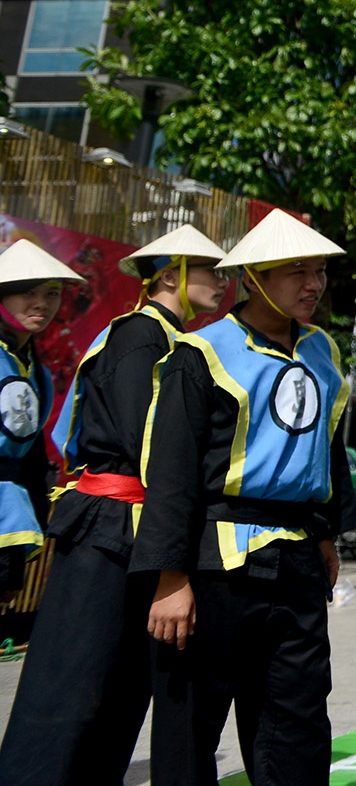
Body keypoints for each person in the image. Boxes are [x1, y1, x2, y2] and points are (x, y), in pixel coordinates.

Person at [134, 209, 356, 786]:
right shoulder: (200, 353)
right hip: (216, 564)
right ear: (254, 277)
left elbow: (327, 451)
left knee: (298, 716)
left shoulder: (323, 352)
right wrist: (169, 578)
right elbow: (172, 471)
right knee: (191, 724)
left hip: (298, 557)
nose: (313, 284)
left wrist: (328, 533)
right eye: (296, 271)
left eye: (319, 272)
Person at [2, 227, 223, 785]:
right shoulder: (140, 338)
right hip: (109, 525)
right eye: (212, 272)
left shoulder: (169, 338)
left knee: (119, 690)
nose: (225, 283)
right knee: (71, 684)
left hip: (134, 525)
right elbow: (145, 442)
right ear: (170, 275)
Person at [0, 241, 85, 604]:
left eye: (52, 294)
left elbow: (32, 458)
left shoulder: (41, 374)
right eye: (28, 292)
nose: (42, 303)